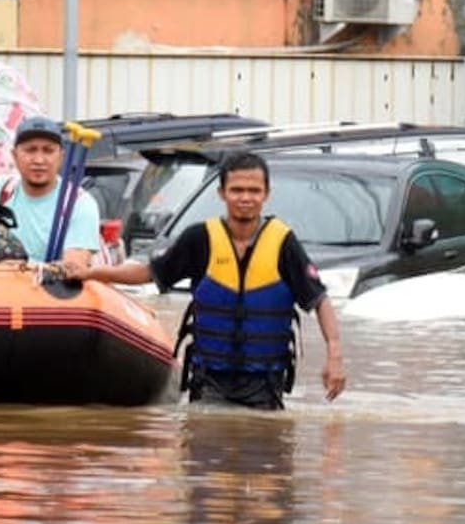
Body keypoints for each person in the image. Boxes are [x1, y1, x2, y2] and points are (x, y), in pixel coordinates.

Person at [62, 152, 345, 410]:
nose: (245, 197)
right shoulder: (199, 239)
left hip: (265, 385)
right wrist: (91, 273)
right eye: (237, 190)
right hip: (209, 381)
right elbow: (148, 272)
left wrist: (334, 356)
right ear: (222, 193)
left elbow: (319, 300)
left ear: (266, 194)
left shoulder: (284, 243)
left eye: (254, 191)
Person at [0, 116, 100, 267]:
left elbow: (73, 267)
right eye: (30, 150)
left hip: (51, 290)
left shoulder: (78, 202)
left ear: (61, 157)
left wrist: (22, 268)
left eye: (48, 151)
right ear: (14, 155)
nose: (39, 160)